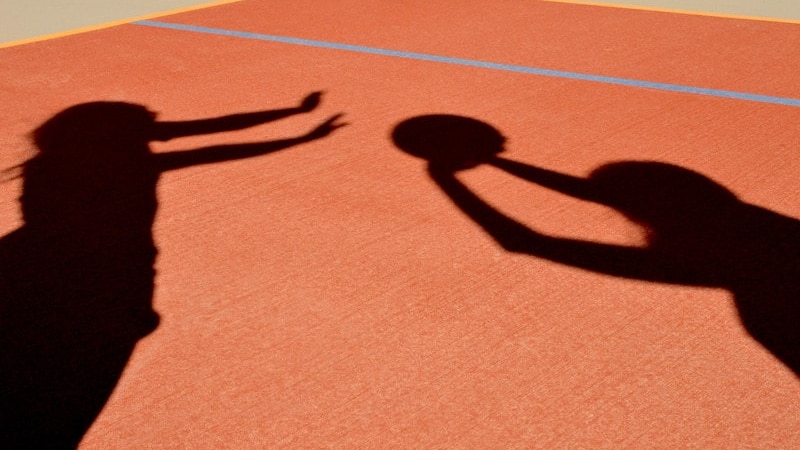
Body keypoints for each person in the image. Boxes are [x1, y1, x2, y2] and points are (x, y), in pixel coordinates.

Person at [0, 92, 345, 447]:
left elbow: (211, 135)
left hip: (25, 264)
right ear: (122, 132)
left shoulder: (49, 163)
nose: (156, 118)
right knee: (64, 400)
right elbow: (216, 140)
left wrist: (294, 115)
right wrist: (299, 128)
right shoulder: (133, 163)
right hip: (106, 285)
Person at [392, 114, 800, 379]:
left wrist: (443, 175)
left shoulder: (702, 263)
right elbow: (600, 193)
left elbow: (522, 241)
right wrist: (493, 161)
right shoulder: (755, 226)